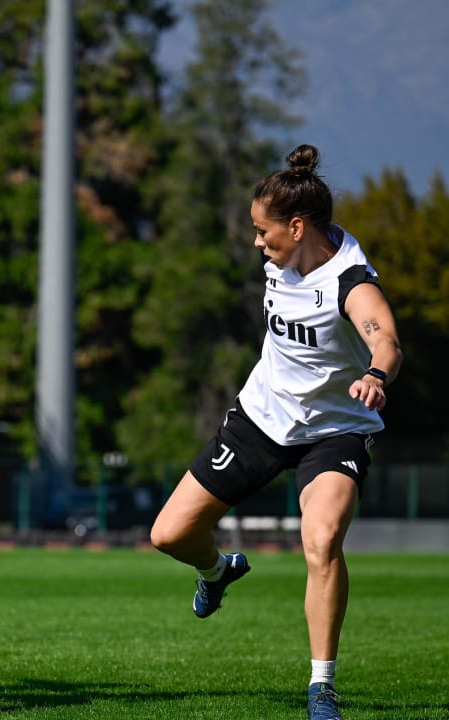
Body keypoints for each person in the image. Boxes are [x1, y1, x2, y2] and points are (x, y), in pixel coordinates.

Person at [149, 145, 402, 720]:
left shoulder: (350, 281)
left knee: (321, 540)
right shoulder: (282, 262)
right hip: (261, 419)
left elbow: (383, 336)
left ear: (297, 226)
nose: (258, 243)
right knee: (167, 535)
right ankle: (218, 572)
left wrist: (375, 374)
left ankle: (321, 689)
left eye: (264, 232)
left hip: (335, 432)